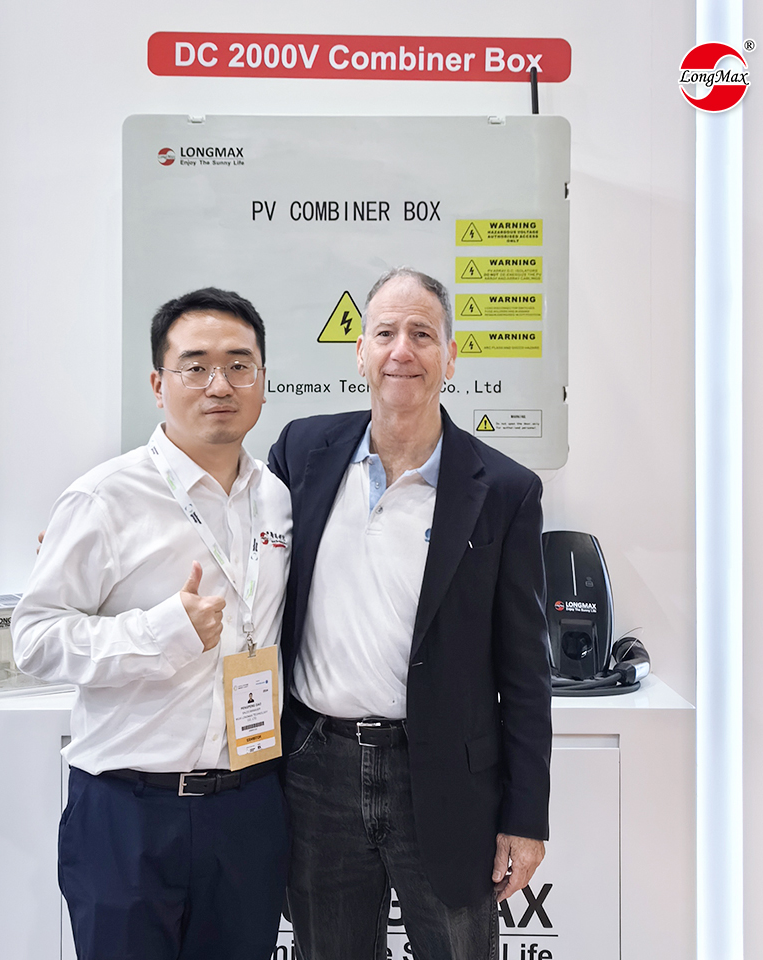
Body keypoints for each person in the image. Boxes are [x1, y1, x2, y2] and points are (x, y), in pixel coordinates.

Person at [268, 267, 552, 960]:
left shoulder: (504, 491)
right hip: (317, 769)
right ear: (359, 352)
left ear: (450, 357)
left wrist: (525, 817)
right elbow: (237, 545)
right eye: (386, 333)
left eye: (422, 334)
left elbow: (525, 672)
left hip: (445, 777)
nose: (403, 350)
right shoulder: (301, 453)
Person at [12, 288, 293, 960]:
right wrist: (160, 634)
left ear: (262, 380)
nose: (219, 385)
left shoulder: (277, 498)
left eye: (239, 366)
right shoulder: (105, 498)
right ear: (158, 384)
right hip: (128, 811)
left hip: (248, 808)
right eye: (195, 367)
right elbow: (33, 639)